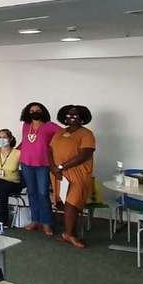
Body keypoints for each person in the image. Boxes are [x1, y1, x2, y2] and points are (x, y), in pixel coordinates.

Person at [49, 105, 97, 249]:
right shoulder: (60, 132)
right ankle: (68, 233)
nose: (72, 117)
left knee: (72, 203)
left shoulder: (87, 134)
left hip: (78, 174)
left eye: (76, 114)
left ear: (82, 117)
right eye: (69, 114)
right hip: (58, 174)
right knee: (64, 203)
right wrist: (53, 167)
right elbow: (50, 150)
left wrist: (61, 167)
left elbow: (85, 155)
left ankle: (70, 234)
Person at [17, 102, 60, 236]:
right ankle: (35, 220)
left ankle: (46, 223)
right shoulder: (26, 125)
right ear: (28, 112)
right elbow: (24, 141)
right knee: (31, 193)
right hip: (26, 164)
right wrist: (14, 151)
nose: (35, 112)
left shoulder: (50, 126)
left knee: (43, 193)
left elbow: (63, 137)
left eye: (38, 110)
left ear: (43, 111)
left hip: (43, 165)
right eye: (32, 110)